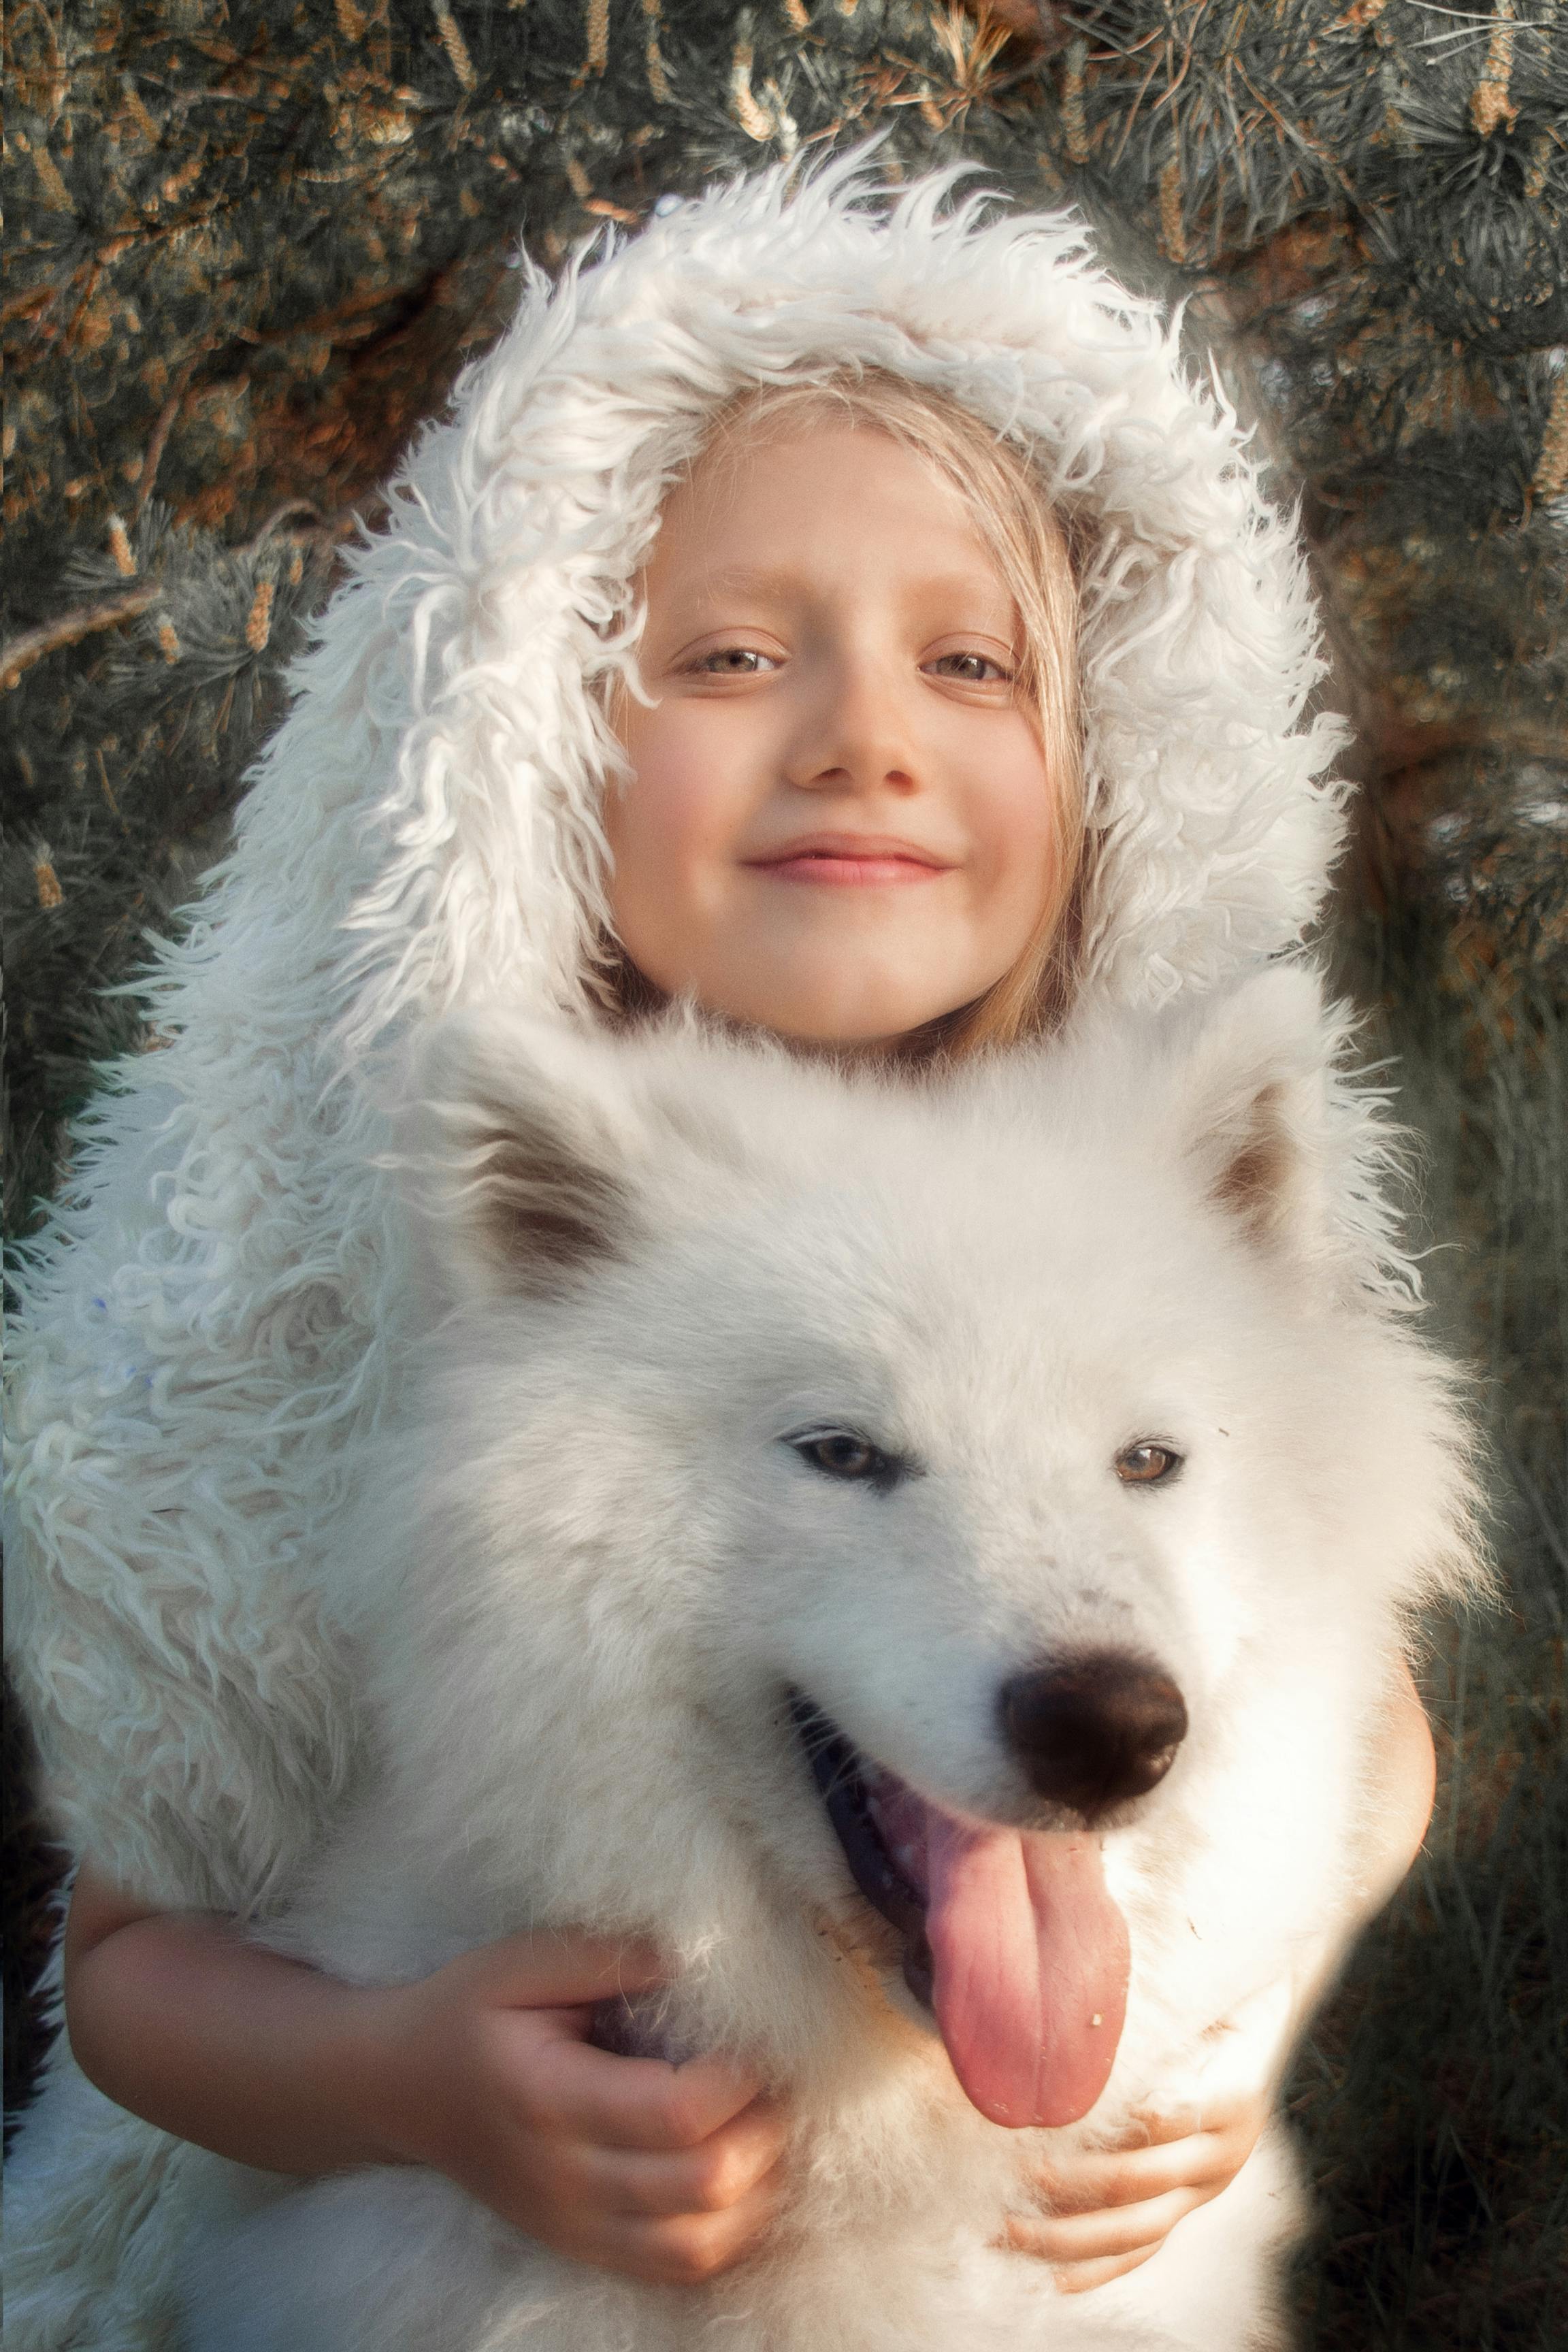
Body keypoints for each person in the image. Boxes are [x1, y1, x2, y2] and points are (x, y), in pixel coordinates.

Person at [5, 157, 1437, 2347]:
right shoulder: (362, 1287)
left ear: (1110, 743)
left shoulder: (1149, 1186)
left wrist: (1232, 2020)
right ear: (520, 718)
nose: (866, 732)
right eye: (739, 654)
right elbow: (129, 1965)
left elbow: (1359, 1718)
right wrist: (405, 2082)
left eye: (971, 660)